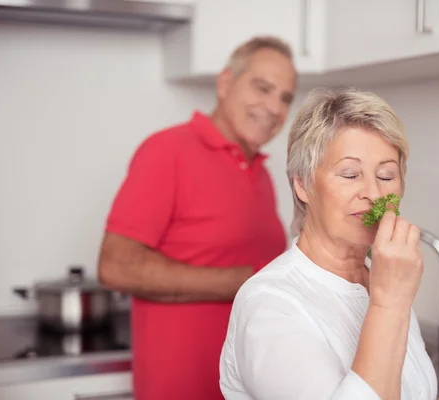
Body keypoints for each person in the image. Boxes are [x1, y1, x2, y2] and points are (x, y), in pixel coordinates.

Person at [219, 87, 439, 400]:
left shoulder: (378, 280)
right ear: (303, 185)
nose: (373, 193)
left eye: (386, 176)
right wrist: (391, 302)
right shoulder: (270, 305)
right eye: (349, 174)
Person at [97, 35, 297, 400]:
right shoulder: (167, 151)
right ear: (225, 83)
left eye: (285, 97)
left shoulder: (262, 174)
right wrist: (246, 280)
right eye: (262, 88)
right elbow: (116, 266)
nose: (274, 107)